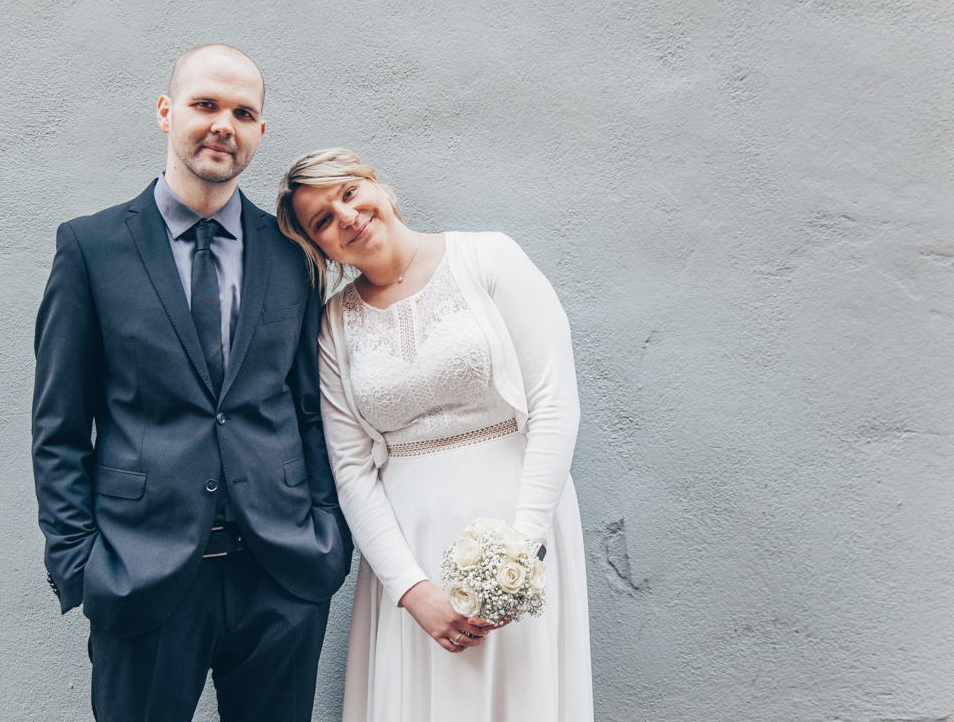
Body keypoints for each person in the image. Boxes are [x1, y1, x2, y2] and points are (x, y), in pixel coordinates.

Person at [31, 45, 353, 722]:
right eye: (206, 105)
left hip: (282, 575)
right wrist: (82, 565)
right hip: (142, 574)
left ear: (260, 131)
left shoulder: (294, 254)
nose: (222, 126)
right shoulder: (90, 248)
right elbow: (59, 427)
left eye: (243, 112)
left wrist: (328, 539)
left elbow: (309, 407)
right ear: (166, 111)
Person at [277, 149, 594, 722]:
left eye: (348, 193)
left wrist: (518, 554)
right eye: (322, 220)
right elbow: (349, 468)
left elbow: (554, 404)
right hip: (409, 550)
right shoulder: (333, 324)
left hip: (522, 527)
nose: (345, 217)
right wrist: (411, 591)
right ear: (318, 247)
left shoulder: (490, 258)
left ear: (375, 185)